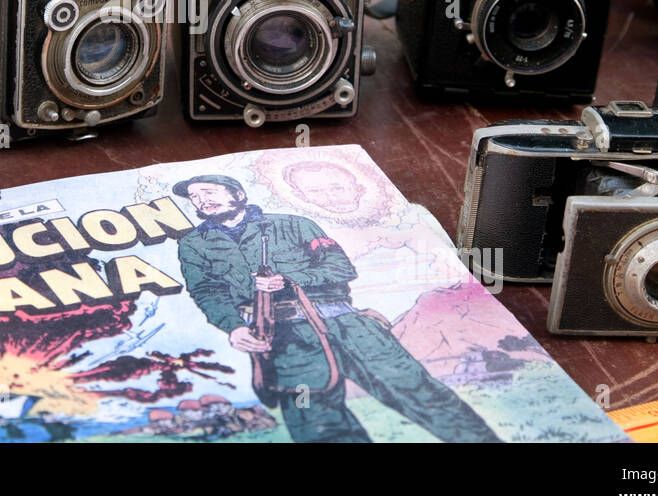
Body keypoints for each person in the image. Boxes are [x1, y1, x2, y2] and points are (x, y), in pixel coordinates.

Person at [173, 174, 501, 443]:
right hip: (286, 343)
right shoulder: (193, 245)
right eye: (195, 197)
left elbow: (341, 268)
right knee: (317, 424)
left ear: (237, 193)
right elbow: (207, 290)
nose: (201, 200)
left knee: (420, 393)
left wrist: (289, 279)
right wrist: (234, 327)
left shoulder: (293, 224)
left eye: (208, 191)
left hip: (348, 324)